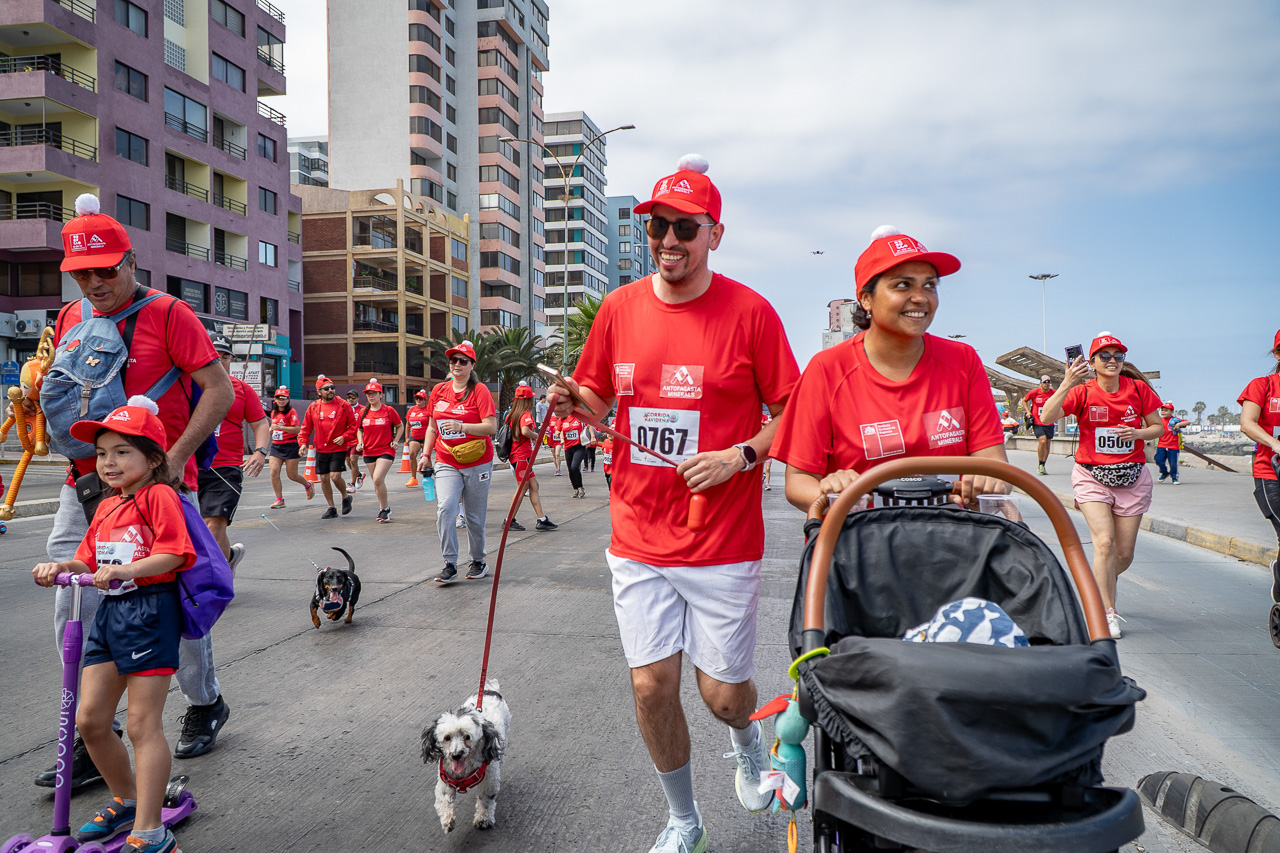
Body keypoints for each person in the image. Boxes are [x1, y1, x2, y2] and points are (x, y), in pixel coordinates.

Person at [548, 155, 800, 853]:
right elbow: (598, 399)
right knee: (652, 687)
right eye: (657, 225)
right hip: (638, 536)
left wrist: (739, 455)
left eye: (684, 228)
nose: (668, 240)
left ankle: (746, 740)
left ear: (714, 233)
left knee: (722, 696)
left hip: (722, 540)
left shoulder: (751, 313)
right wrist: (573, 400)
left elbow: (791, 412)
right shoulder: (619, 308)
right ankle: (684, 820)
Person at [29, 196, 234, 791]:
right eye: (82, 273)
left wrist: (174, 461)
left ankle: (205, 701)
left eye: (106, 270)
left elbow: (218, 391)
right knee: (74, 600)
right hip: (85, 484)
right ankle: (97, 732)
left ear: (131, 262)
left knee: (169, 603)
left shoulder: (170, 314)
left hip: (158, 487)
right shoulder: (71, 316)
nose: (95, 283)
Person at [33, 398, 196, 853]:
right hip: (110, 613)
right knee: (90, 720)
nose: (109, 462)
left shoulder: (159, 496)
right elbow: (86, 558)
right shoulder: (106, 504)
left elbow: (176, 553)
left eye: (123, 452)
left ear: (154, 458)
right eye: (103, 452)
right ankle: (127, 799)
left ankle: (151, 830)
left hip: (150, 611)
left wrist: (129, 570)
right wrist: (60, 566)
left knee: (143, 724)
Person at [773, 227, 1010, 514]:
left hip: (950, 534)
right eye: (902, 285)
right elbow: (797, 482)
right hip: (858, 535)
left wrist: (987, 482)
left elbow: (995, 465)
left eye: (929, 285)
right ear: (866, 299)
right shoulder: (827, 369)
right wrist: (834, 494)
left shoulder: (963, 360)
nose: (920, 298)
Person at [1040, 332, 1163, 639]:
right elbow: (1046, 416)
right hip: (1091, 476)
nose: (1112, 361)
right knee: (1104, 544)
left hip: (1132, 477)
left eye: (1118, 356)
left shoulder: (1138, 389)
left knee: (1123, 555)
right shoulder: (1082, 392)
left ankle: (1099, 580)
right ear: (1092, 362)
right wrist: (1067, 382)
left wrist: (1137, 434)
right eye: (1105, 356)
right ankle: (1106, 612)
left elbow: (1158, 427)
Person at [420, 341, 498, 583]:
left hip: (477, 461)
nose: (457, 364)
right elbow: (432, 427)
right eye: (453, 360)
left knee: (474, 516)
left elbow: (491, 427)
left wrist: (461, 426)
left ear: (472, 365)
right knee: (446, 508)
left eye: (463, 361)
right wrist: (425, 455)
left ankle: (478, 560)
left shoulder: (480, 391)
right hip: (446, 459)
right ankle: (450, 563)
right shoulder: (439, 391)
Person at [200, 335, 269, 570]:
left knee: (213, 525)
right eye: (215, 354)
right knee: (194, 528)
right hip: (188, 466)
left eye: (225, 356)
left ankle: (216, 580)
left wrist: (260, 451)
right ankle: (228, 557)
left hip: (226, 467)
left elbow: (260, 423)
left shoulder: (241, 389)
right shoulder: (186, 383)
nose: (220, 359)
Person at [1238, 329, 1280, 601]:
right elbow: (1247, 423)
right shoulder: (1263, 385)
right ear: (1277, 354)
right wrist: (1275, 444)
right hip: (1271, 472)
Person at [298, 376, 356, 519]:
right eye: (326, 389)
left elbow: (353, 427)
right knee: (324, 478)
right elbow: (306, 427)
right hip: (321, 448)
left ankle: (345, 497)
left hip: (338, 447)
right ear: (319, 392)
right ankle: (331, 507)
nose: (330, 390)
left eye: (332, 388)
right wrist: (303, 443)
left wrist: (344, 437)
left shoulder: (343, 405)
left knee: (335, 476)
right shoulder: (313, 407)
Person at [504, 384, 557, 531]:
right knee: (522, 489)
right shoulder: (525, 414)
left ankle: (542, 519)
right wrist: (537, 436)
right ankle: (509, 520)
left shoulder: (512, 414)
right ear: (528, 400)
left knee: (534, 486)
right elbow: (525, 431)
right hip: (521, 456)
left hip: (519, 456)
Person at [356, 379, 404, 523]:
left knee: (377, 478)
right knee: (377, 482)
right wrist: (360, 442)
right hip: (369, 451)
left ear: (380, 395)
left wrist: (396, 440)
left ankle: (385, 509)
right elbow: (359, 429)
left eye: (374, 393)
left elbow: (400, 425)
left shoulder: (389, 410)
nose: (371, 396)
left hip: (385, 450)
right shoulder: (363, 412)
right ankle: (384, 508)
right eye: (368, 394)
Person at [267, 386, 314, 508]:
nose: (281, 400)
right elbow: (274, 428)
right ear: (275, 400)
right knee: (274, 471)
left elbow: (297, 429)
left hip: (290, 445)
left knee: (292, 475)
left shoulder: (291, 412)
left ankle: (308, 485)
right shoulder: (274, 413)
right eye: (279, 398)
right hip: (276, 446)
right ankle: (279, 499)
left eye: (284, 398)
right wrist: (272, 430)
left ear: (288, 400)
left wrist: (280, 427)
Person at [1022, 374, 1057, 474]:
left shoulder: (1053, 393)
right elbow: (1024, 400)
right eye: (1044, 382)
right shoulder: (1035, 392)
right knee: (1042, 440)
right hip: (1038, 421)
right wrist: (1028, 412)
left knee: (1047, 443)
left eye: (1048, 382)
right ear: (1040, 383)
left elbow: (1062, 400)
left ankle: (1043, 464)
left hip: (1049, 421)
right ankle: (1040, 463)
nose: (1046, 384)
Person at [1154, 401, 1190, 484]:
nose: (1163, 412)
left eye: (1166, 410)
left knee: (1173, 463)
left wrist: (1179, 424)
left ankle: (1174, 477)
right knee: (1158, 459)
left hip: (1173, 446)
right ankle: (1164, 472)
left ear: (1172, 412)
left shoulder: (1175, 420)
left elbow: (1187, 422)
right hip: (1161, 445)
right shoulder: (1159, 420)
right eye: (1162, 410)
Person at [404, 389, 431, 488]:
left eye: (420, 399)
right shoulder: (411, 409)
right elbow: (408, 424)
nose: (418, 400)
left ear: (424, 400)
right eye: (416, 398)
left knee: (426, 457)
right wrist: (407, 437)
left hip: (426, 436)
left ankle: (428, 477)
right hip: (414, 436)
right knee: (412, 454)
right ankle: (413, 478)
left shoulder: (428, 409)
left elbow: (432, 424)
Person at [562, 410, 588, 498]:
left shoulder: (579, 417)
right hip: (568, 447)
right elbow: (559, 430)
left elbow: (589, 425)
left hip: (579, 446)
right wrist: (560, 436)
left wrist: (592, 437)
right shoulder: (562, 418)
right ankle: (575, 488)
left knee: (574, 467)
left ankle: (580, 487)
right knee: (570, 469)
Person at [344, 390, 365, 494]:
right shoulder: (344, 409)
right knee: (348, 462)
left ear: (357, 398)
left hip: (357, 439)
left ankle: (352, 484)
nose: (350, 400)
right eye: (348, 397)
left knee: (353, 460)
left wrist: (362, 440)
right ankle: (359, 475)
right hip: (347, 439)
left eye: (353, 397)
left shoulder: (362, 409)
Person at [760, 407, 773, 491]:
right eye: (763, 425)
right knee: (760, 469)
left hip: (768, 452)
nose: (764, 427)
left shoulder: (769, 435)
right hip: (760, 452)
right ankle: (762, 477)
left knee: (767, 468)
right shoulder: (759, 434)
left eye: (765, 426)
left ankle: (767, 484)